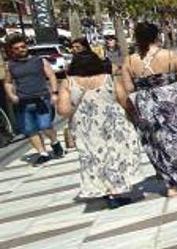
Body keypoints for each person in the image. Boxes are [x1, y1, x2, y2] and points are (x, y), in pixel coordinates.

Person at [56, 49, 144, 207]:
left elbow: (63, 110)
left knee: (95, 157)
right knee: (116, 154)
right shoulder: (109, 78)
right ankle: (115, 191)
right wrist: (134, 116)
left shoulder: (68, 83)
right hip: (114, 124)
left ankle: (107, 191)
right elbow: (124, 100)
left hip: (85, 127)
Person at [122, 22, 177, 197]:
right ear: (157, 36)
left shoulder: (130, 60)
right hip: (170, 98)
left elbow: (129, 88)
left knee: (154, 141)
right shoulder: (169, 55)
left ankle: (167, 179)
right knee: (175, 137)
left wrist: (144, 83)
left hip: (146, 101)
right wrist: (168, 78)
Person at [4, 34, 62, 164]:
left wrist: (54, 93)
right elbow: (8, 82)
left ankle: (55, 142)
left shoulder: (39, 60)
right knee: (30, 129)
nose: (21, 49)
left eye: (23, 46)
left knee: (45, 125)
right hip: (23, 101)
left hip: (42, 98)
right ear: (13, 51)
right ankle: (42, 153)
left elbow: (51, 76)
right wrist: (11, 95)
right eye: (17, 48)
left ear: (27, 47)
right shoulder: (11, 66)